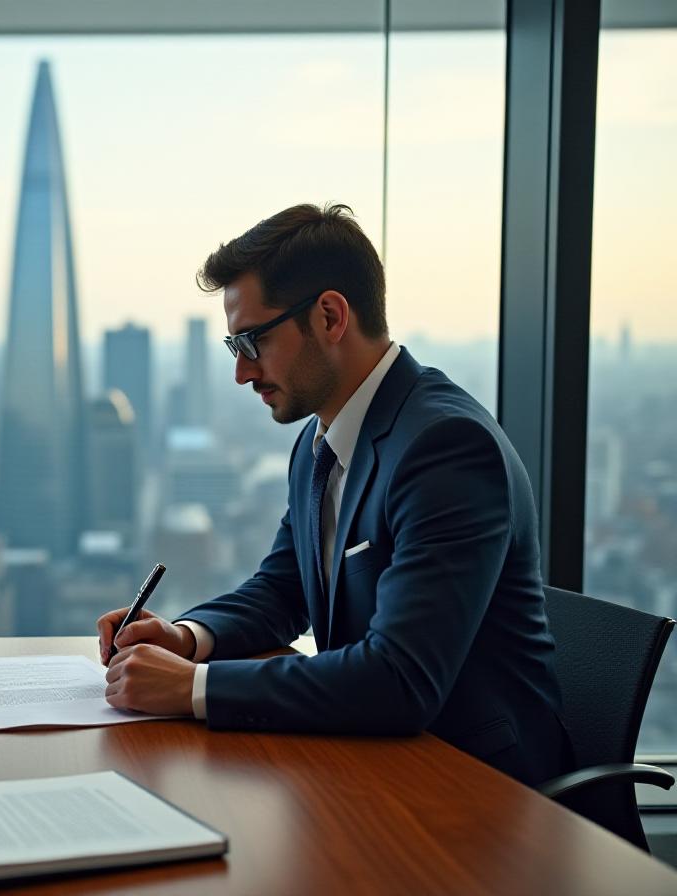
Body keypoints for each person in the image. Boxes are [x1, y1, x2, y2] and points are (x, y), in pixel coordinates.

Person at [97, 203, 571, 786]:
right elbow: (282, 590)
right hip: (374, 767)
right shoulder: (320, 441)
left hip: (480, 797)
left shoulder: (446, 448)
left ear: (329, 316)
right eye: (233, 349)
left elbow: (400, 679)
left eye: (252, 342)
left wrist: (192, 689)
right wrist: (186, 640)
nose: (243, 373)